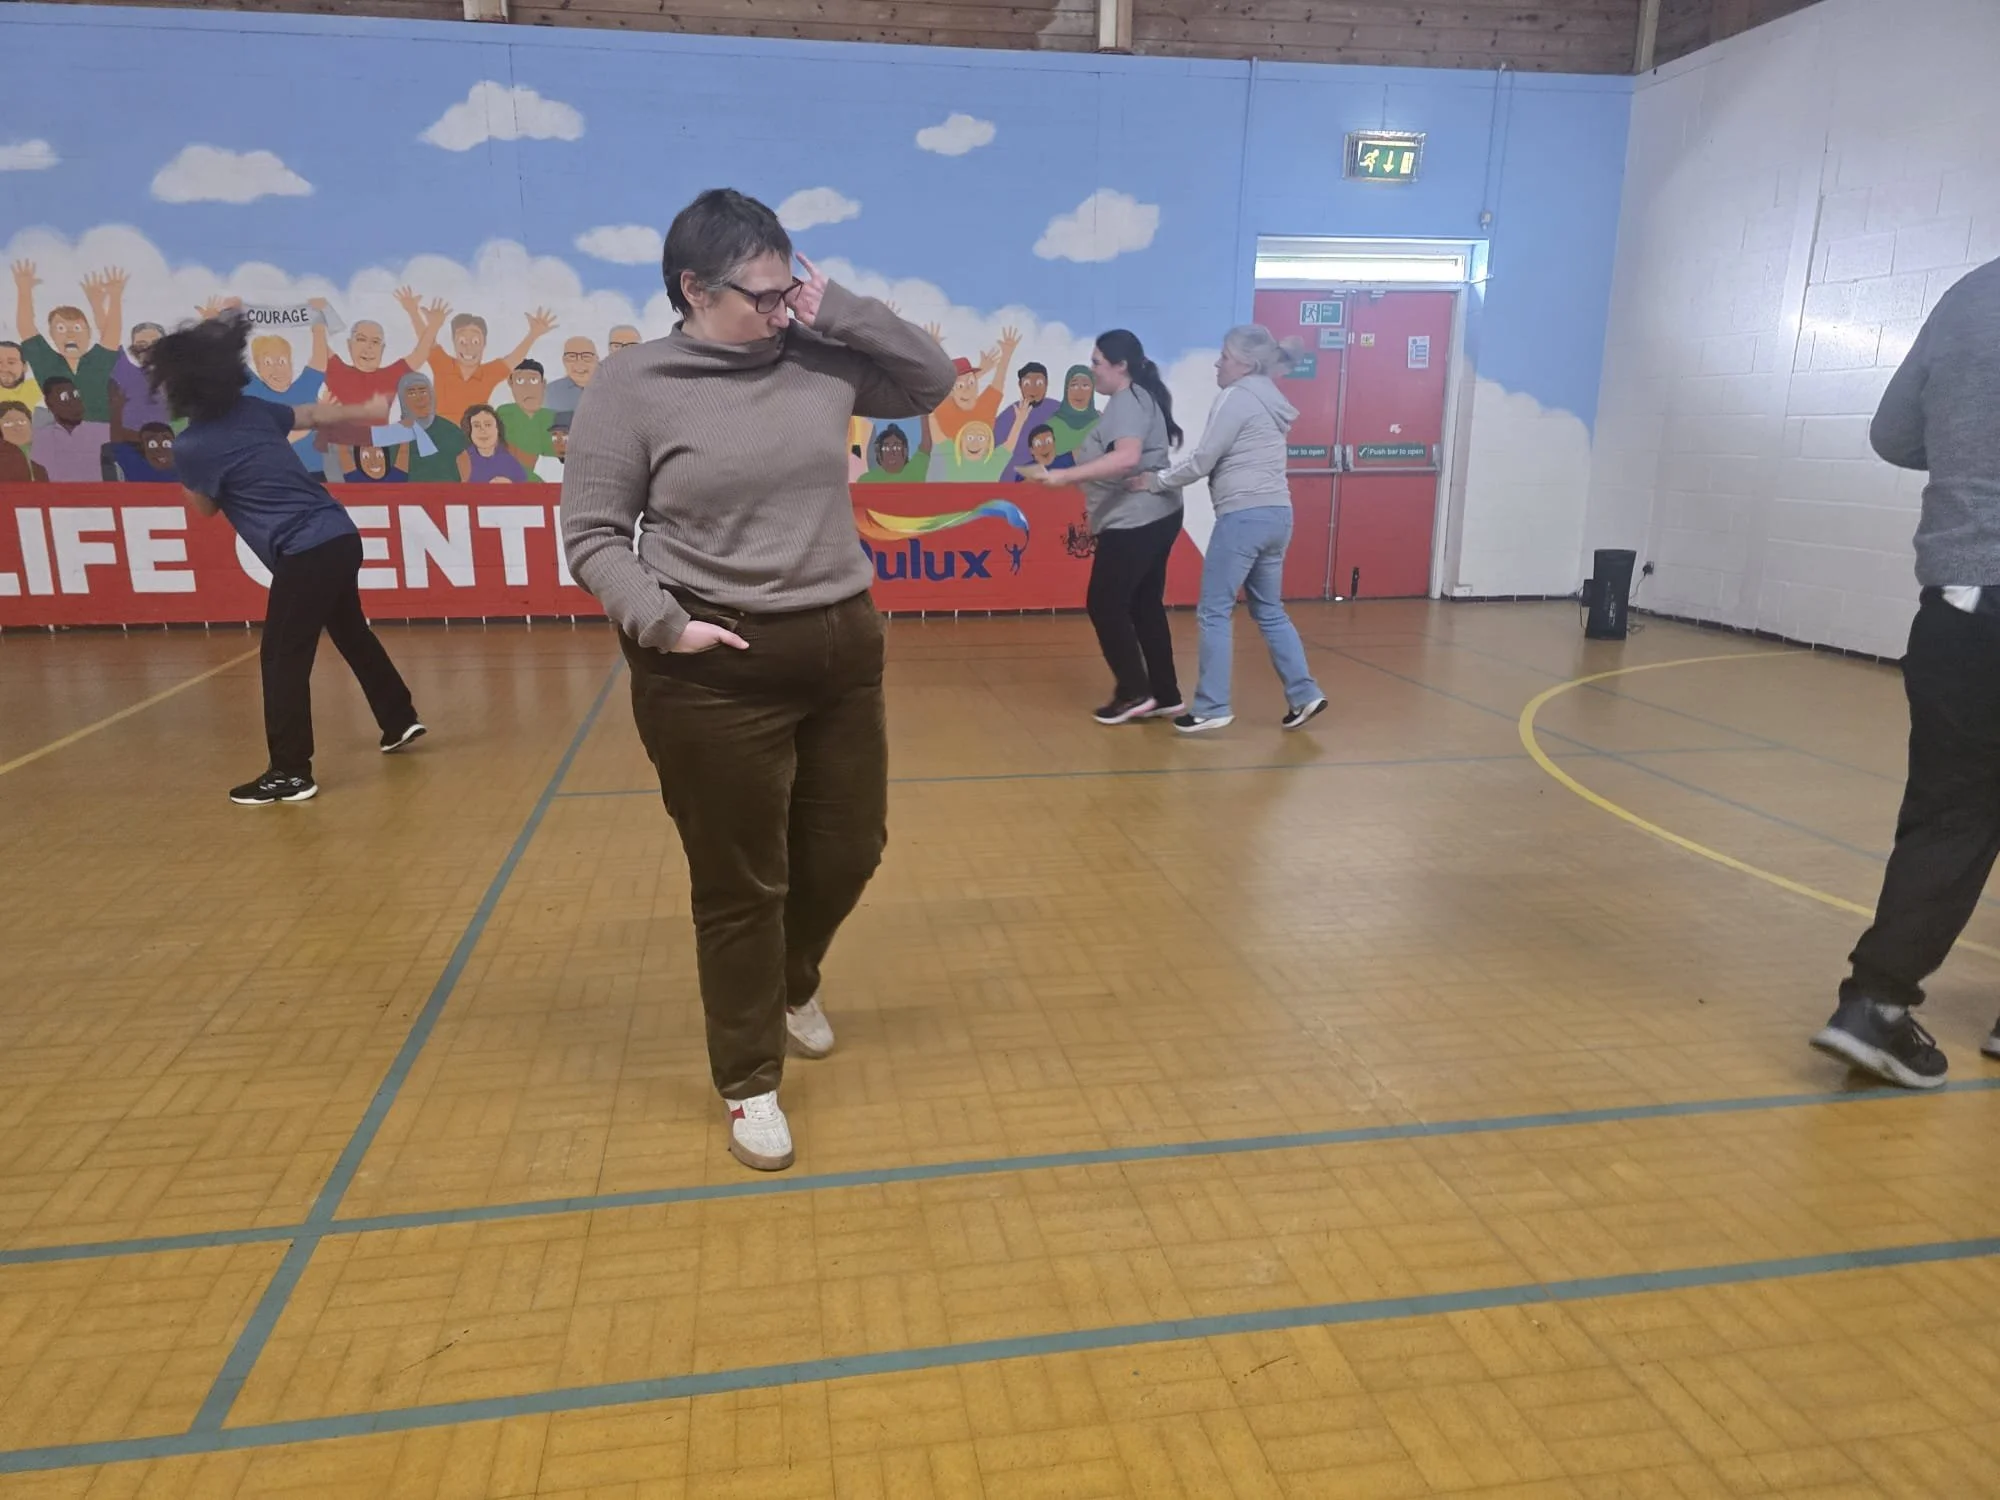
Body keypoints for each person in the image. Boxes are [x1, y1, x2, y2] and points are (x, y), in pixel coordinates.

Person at [561, 188, 955, 1173]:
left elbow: (931, 379)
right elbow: (593, 536)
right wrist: (664, 623)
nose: (780, 312)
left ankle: (792, 977)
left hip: (840, 647)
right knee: (740, 882)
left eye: (791, 291)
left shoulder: (815, 355)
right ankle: (748, 1081)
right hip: (710, 667)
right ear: (692, 289)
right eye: (762, 296)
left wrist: (839, 310)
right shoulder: (633, 384)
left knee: (850, 848)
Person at [1811, 257, 2000, 1088]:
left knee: (1950, 812)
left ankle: (1875, 1006)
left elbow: (1894, 436)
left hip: (1962, 606)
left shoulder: (1975, 292)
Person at [149, 311, 426, 806]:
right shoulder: (255, 411)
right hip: (340, 535)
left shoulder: (192, 445)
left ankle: (290, 772)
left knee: (281, 659)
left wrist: (192, 480)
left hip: (305, 551)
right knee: (350, 632)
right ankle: (399, 718)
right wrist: (366, 406)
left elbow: (207, 509)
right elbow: (312, 415)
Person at [1133, 325, 1327, 734]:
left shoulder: (1236, 397)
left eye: (1224, 355)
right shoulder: (1271, 398)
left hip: (1243, 518)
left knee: (1214, 611)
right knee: (1269, 610)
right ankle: (1305, 693)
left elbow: (1203, 459)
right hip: (1278, 515)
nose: (1217, 363)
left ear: (1244, 363)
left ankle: (1212, 706)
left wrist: (1156, 481)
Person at [1030, 330, 1184, 724]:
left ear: (1121, 366)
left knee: (1105, 603)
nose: (1092, 369)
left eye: (1097, 362)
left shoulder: (1127, 402)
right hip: (1153, 516)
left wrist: (1065, 476)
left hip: (1136, 519)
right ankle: (1164, 694)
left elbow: (1126, 458)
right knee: (1144, 604)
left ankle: (1134, 691)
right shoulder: (1133, 400)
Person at [458, 404, 528, 483]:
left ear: (497, 429)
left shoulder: (511, 461)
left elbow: (522, 489)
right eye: (476, 426)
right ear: (469, 430)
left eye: (488, 425)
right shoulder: (462, 459)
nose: (483, 430)